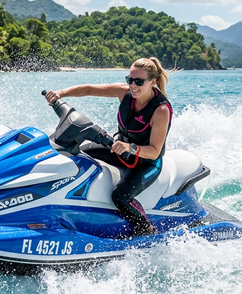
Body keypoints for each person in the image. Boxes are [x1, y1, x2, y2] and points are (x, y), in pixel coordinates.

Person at [44, 57, 172, 238]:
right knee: (79, 150)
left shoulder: (161, 110)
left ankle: (147, 229)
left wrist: (130, 147)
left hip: (146, 163)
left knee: (120, 197)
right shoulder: (124, 92)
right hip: (120, 151)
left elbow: (154, 151)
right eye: (130, 80)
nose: (133, 85)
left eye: (139, 82)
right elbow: (89, 89)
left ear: (152, 82)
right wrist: (60, 93)